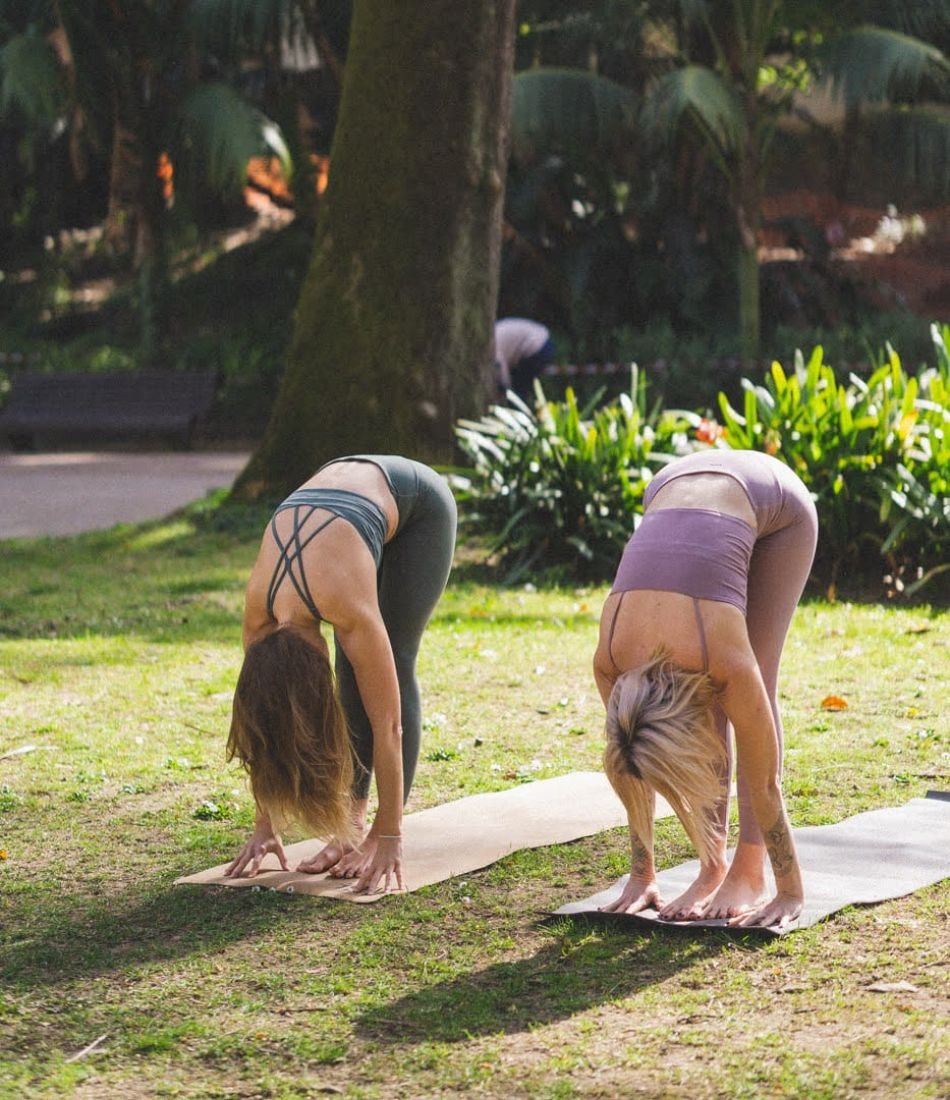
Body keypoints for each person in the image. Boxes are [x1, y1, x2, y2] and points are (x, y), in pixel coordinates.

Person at [593, 449, 818, 930]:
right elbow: (632, 768)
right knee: (698, 696)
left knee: (754, 678)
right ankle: (712, 864)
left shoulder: (722, 656)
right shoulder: (612, 662)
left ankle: (749, 869)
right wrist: (641, 873)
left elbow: (765, 777)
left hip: (773, 498)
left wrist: (790, 891)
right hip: (673, 484)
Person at [224, 455, 457, 894]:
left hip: (418, 503)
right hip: (337, 501)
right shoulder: (259, 615)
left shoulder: (344, 603)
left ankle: (374, 828)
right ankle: (349, 823)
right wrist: (264, 826)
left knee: (385, 660)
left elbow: (388, 725)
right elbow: (264, 724)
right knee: (355, 662)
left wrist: (390, 837)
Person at [494, 317, 557, 402]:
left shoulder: (493, 341)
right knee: (521, 387)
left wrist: (506, 390)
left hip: (537, 347)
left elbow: (500, 366)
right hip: (543, 342)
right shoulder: (496, 331)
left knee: (518, 390)